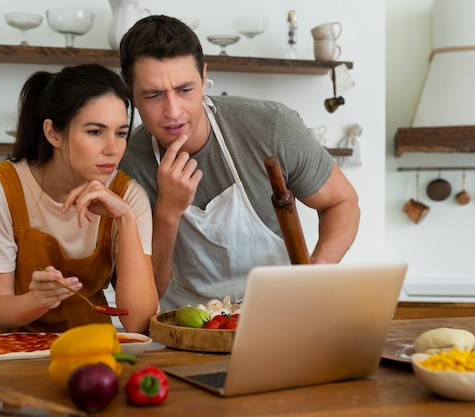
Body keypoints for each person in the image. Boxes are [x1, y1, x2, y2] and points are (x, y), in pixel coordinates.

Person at [118, 15, 360, 310]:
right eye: (154, 95)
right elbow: (149, 291)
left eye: (185, 90)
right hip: (184, 323)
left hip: (280, 311)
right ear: (130, 92)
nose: (173, 111)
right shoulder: (127, 164)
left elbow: (341, 202)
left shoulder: (271, 126)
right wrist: (168, 212)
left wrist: (316, 270)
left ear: (204, 78)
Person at [0, 64, 158, 335]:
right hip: (9, 353)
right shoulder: (0, 188)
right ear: (53, 132)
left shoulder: (128, 197)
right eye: (95, 131)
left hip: (89, 351)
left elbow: (138, 321)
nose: (113, 149)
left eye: (121, 133)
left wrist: (125, 219)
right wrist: (37, 300)